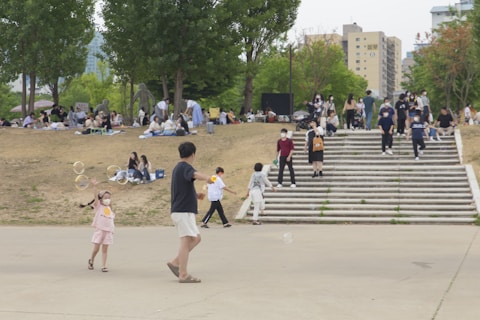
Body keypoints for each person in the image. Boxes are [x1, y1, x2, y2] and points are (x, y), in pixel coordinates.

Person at [167, 142, 215, 283]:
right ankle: (183, 273)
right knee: (186, 239)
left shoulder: (178, 168)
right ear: (193, 154)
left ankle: (176, 262)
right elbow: (194, 174)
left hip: (183, 210)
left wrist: (196, 195)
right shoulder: (184, 167)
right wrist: (207, 178)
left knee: (196, 238)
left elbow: (183, 189)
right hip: (182, 211)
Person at [88, 180, 115, 273]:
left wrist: (110, 204)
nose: (107, 199)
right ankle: (91, 260)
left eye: (109, 198)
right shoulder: (98, 206)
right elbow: (95, 197)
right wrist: (95, 187)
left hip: (108, 231)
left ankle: (104, 265)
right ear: (101, 199)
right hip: (100, 230)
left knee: (105, 249)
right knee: (96, 248)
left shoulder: (110, 208)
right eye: (105, 197)